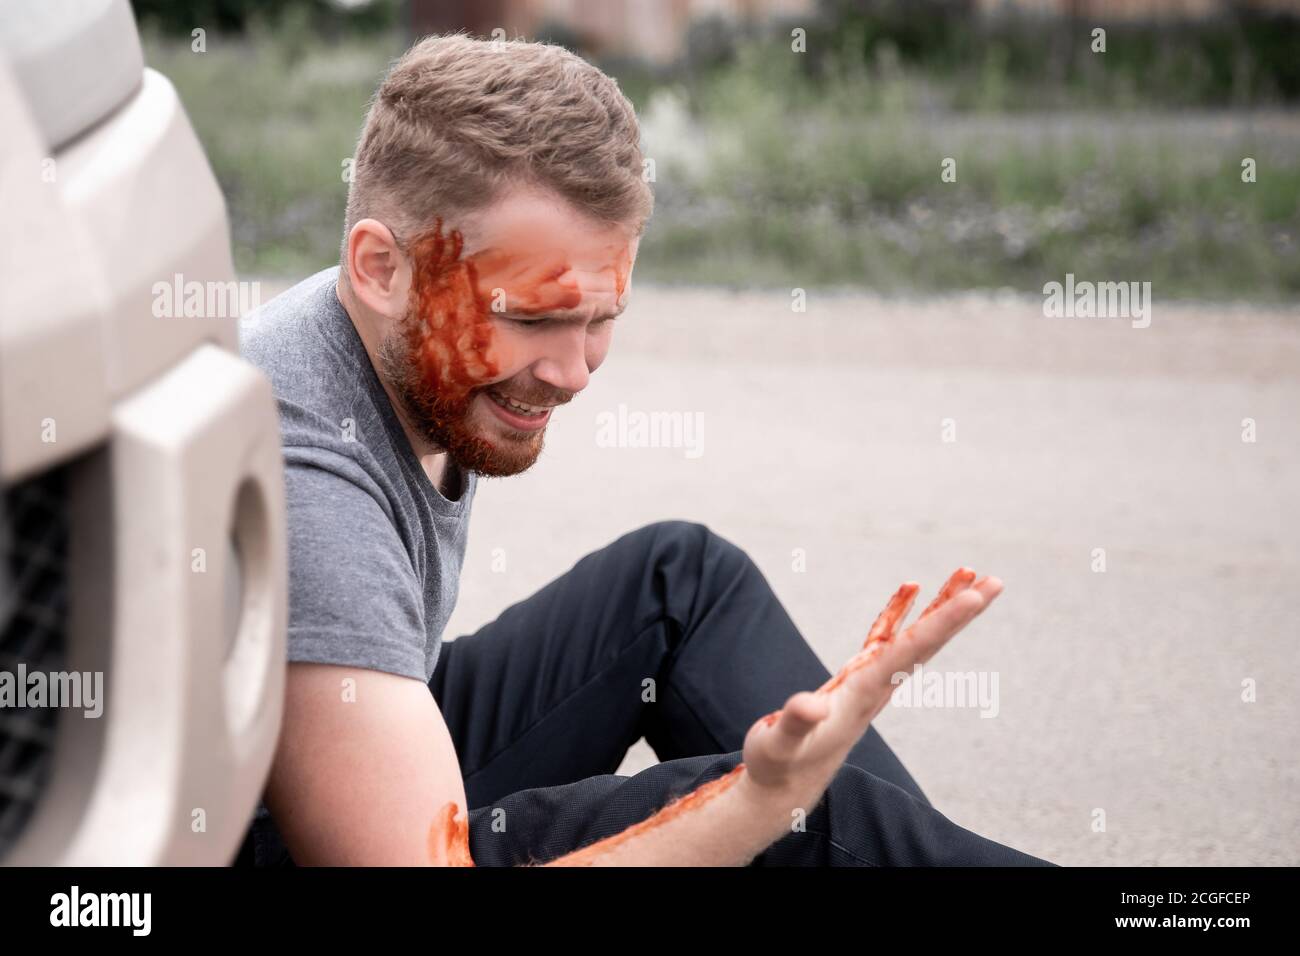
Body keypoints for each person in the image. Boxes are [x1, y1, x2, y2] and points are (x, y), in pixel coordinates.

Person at [236, 32, 1051, 867]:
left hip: (306, 756)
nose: (573, 370)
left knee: (683, 580)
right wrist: (759, 804)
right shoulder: (307, 482)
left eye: (600, 318)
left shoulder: (372, 323)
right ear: (381, 268)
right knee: (797, 812)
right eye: (528, 318)